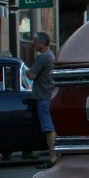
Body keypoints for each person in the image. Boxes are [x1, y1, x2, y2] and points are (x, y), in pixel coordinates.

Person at [26, 31, 57, 169]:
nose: (34, 45)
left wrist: (26, 71)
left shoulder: (42, 57)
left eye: (35, 42)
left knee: (49, 128)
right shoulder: (51, 56)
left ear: (42, 43)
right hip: (48, 95)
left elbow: (31, 76)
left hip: (43, 96)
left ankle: (53, 157)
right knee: (50, 127)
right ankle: (55, 156)